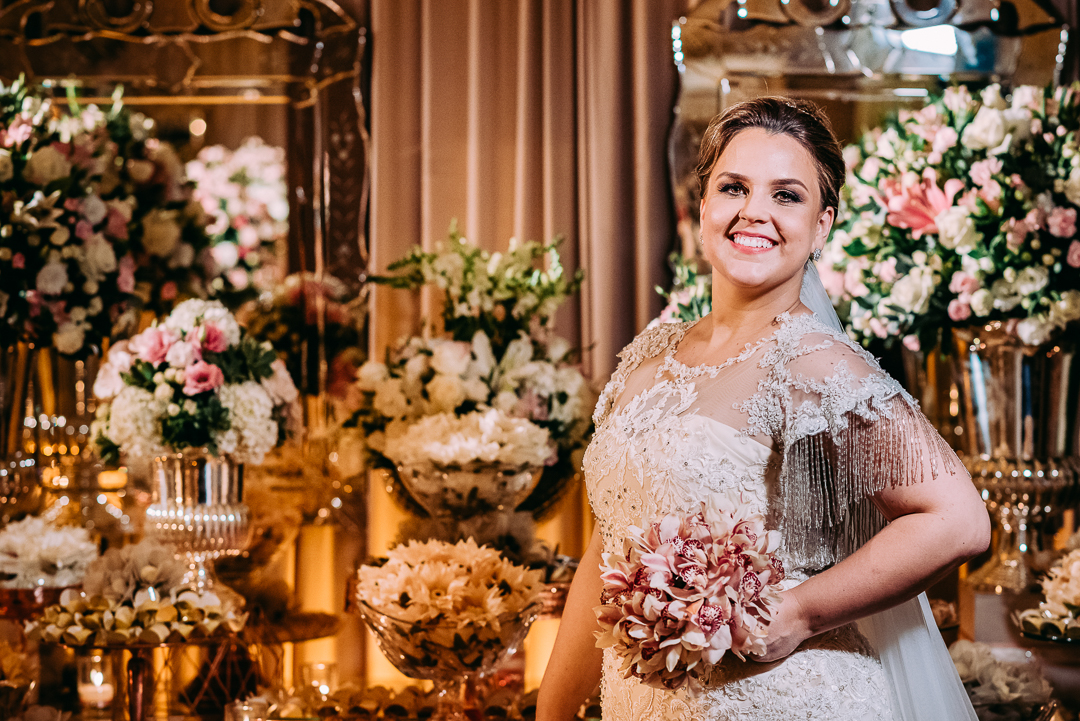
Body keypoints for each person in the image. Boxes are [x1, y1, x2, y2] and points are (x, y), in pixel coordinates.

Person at [536, 97, 991, 720]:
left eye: (787, 195)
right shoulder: (651, 353)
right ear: (703, 206)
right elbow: (608, 548)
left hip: (780, 700)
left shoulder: (814, 362)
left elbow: (958, 520)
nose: (755, 212)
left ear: (823, 224)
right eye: (734, 187)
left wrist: (798, 613)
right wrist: (553, 710)